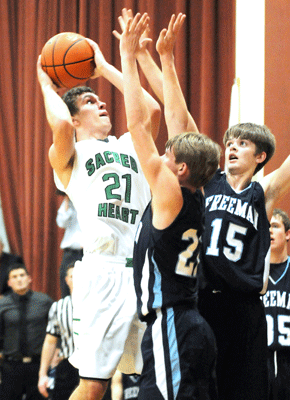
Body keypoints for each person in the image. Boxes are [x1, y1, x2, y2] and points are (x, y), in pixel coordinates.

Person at [37, 20, 161, 400]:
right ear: (75, 119)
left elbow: (152, 108)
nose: (102, 102)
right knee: (93, 386)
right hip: (102, 274)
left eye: (101, 99)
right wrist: (44, 78)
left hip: (143, 272)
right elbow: (58, 123)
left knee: (157, 378)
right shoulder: (70, 157)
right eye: (91, 101)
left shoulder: (129, 144)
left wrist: (104, 67)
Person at [120, 12, 220, 399]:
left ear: (179, 168)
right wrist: (165, 59)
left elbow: (138, 127)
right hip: (191, 323)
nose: (159, 155)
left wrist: (128, 58)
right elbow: (184, 126)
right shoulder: (197, 190)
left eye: (167, 154)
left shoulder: (169, 193)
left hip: (172, 325)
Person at [196, 120, 290, 399]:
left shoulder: (262, 194)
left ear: (260, 156)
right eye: (230, 143)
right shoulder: (208, 182)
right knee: (202, 388)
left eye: (242, 143)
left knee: (245, 392)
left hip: (244, 307)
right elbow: (182, 124)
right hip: (203, 301)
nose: (232, 147)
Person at [0, 262, 53, 399]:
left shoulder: (44, 301)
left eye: (22, 275)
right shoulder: (2, 304)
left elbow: (55, 330)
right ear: (9, 282)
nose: (19, 279)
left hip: (38, 365)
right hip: (10, 366)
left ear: (29, 278)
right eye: (15, 276)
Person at [38, 262, 79, 399]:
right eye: (73, 276)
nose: (77, 279)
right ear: (67, 280)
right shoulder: (59, 306)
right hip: (68, 366)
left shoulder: (100, 303)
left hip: (95, 364)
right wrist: (43, 374)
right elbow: (50, 341)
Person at [262, 209, 290, 399]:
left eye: (275, 226)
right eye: (266, 227)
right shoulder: (253, 274)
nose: (269, 230)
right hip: (259, 365)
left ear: (288, 234)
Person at [56, 190, 83, 297]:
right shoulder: (69, 204)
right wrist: (67, 198)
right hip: (70, 253)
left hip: (87, 252)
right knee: (66, 284)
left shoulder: (92, 201)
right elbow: (61, 222)